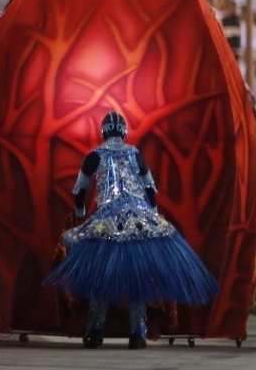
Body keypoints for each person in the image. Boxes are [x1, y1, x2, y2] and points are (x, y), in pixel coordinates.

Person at [44, 111, 219, 349]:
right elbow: (150, 188)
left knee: (101, 277)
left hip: (106, 222)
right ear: (124, 132)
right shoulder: (136, 154)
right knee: (138, 279)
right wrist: (153, 216)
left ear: (103, 132)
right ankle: (138, 332)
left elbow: (79, 190)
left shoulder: (94, 156)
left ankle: (95, 329)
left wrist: (80, 213)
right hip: (140, 222)